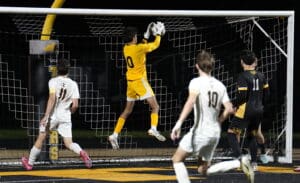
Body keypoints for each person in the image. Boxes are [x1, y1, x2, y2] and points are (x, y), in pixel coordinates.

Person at [170, 50, 251, 183]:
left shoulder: (196, 82)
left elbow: (190, 102)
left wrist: (178, 124)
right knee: (203, 170)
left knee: (177, 160)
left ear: (197, 66)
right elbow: (230, 108)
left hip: (200, 131)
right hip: (214, 133)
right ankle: (239, 163)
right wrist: (219, 120)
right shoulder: (220, 86)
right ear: (212, 67)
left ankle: (239, 163)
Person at [21, 58, 92, 170]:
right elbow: (75, 105)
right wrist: (70, 112)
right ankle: (82, 152)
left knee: (41, 137)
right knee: (69, 143)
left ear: (57, 69)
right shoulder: (73, 84)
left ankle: (30, 163)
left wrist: (46, 115)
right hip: (65, 117)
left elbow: (52, 99)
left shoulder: (53, 81)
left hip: (53, 116)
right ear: (68, 70)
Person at [108, 22, 166, 149]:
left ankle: (114, 135)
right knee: (155, 107)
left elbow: (141, 49)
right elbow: (156, 45)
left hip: (130, 83)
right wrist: (158, 34)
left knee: (127, 111)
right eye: (136, 36)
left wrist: (146, 36)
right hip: (140, 82)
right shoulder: (138, 48)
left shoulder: (126, 48)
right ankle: (153, 128)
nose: (136, 37)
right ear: (133, 37)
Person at [218, 49, 269, 174]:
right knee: (252, 134)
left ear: (242, 62)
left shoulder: (242, 76)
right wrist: (260, 106)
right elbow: (267, 95)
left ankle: (240, 159)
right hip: (258, 109)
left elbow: (242, 96)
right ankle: (254, 163)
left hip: (246, 109)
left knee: (231, 132)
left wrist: (233, 105)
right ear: (255, 62)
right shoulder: (262, 76)